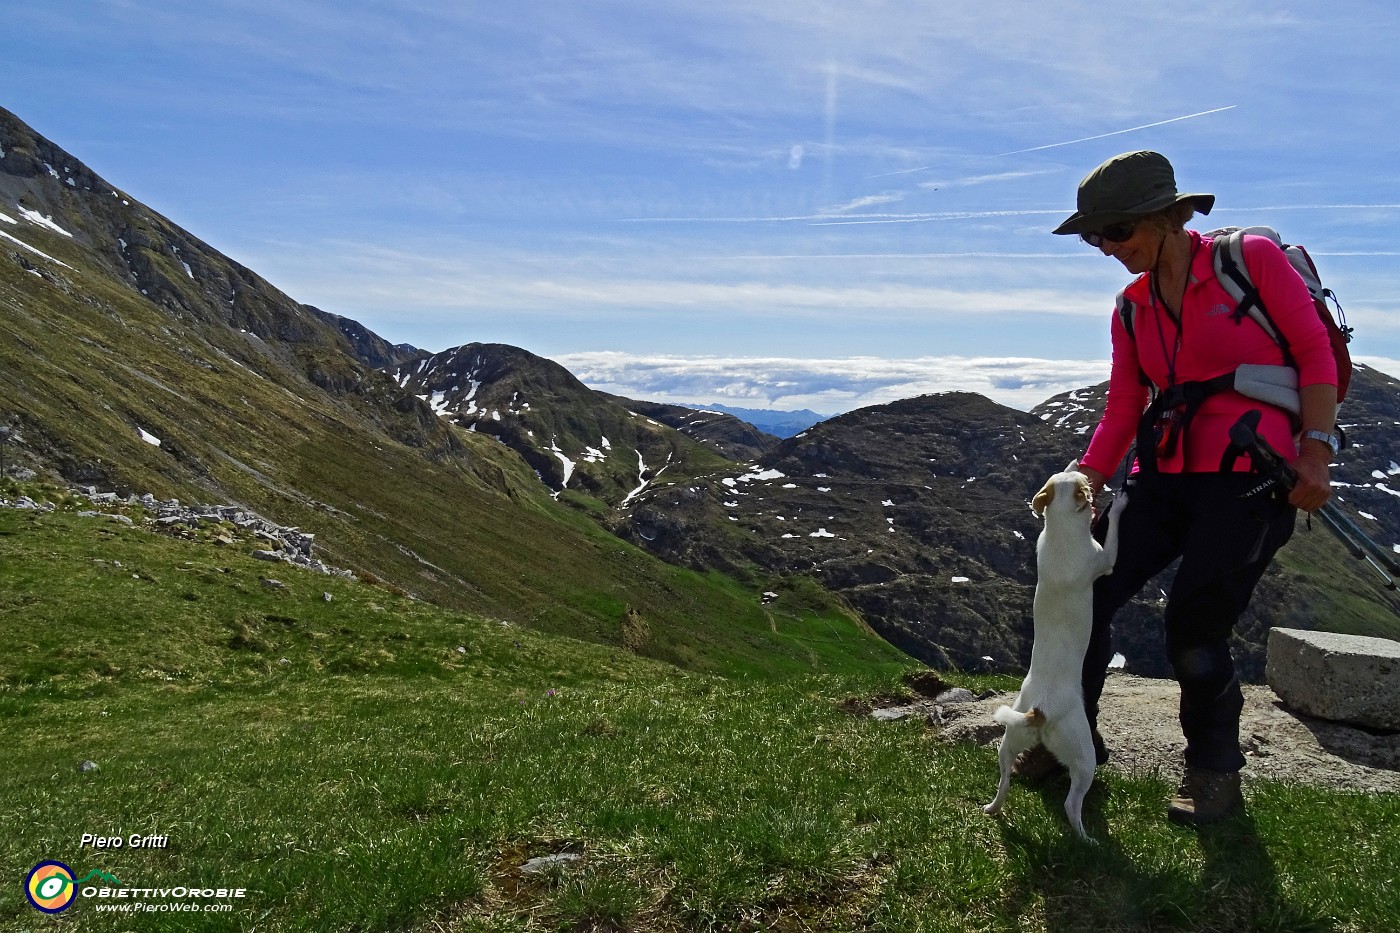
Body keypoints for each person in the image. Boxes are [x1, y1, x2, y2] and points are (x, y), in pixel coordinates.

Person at [1030, 150, 1339, 826]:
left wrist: (1316, 449)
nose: (1107, 248)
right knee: (1081, 591)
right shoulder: (1133, 307)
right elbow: (1122, 408)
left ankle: (1213, 773)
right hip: (1163, 474)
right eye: (1095, 236)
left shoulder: (1249, 260)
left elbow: (1314, 353)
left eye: (1116, 231)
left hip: (1250, 478)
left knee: (1194, 626)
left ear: (1166, 217)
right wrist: (1085, 477)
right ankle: (1068, 740)